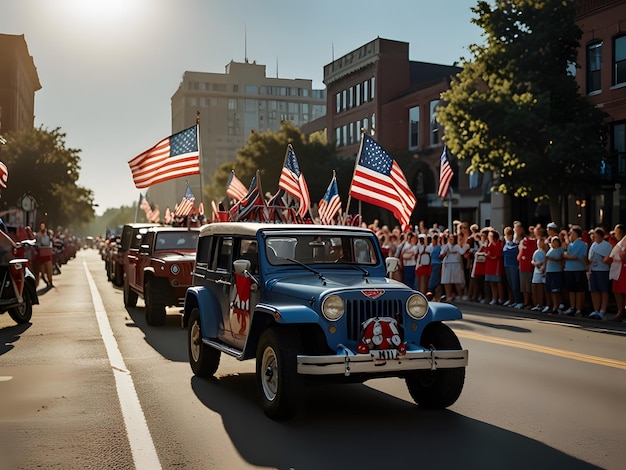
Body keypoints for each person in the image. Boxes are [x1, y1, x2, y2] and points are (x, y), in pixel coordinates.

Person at [562, 226, 588, 317]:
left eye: (571, 233)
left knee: (579, 290)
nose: (570, 235)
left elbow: (575, 256)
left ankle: (579, 308)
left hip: (579, 269)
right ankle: (572, 307)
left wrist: (566, 256)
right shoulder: (570, 245)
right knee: (571, 289)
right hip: (569, 269)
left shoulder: (583, 244)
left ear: (576, 234)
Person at [587, 227, 612, 320]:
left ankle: (602, 310)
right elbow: (590, 258)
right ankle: (596, 310)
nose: (594, 238)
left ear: (601, 236)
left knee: (603, 290)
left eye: (596, 236)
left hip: (602, 270)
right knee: (594, 290)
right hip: (593, 270)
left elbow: (608, 258)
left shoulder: (607, 245)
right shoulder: (593, 245)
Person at [440, 234, 468, 302]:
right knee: (447, 281)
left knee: (457, 281)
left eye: (452, 239)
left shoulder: (457, 246)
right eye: (449, 239)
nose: (450, 240)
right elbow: (441, 254)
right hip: (448, 265)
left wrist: (465, 246)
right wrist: (444, 254)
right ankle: (448, 296)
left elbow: (462, 252)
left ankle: (460, 295)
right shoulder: (446, 246)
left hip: (456, 265)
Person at [607, 224, 626, 322]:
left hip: (623, 268)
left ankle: (622, 311)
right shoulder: (617, 242)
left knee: (623, 290)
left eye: (616, 232)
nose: (615, 234)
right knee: (617, 290)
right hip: (617, 269)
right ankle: (620, 311)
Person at [545, 236, 564, 314]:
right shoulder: (550, 250)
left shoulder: (560, 250)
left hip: (556, 271)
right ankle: (553, 306)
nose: (554, 243)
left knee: (556, 290)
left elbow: (560, 259)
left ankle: (557, 306)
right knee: (550, 290)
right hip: (549, 271)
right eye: (552, 241)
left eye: (555, 241)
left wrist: (551, 259)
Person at [484, 230, 504, 305]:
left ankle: (501, 298)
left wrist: (491, 256)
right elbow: (487, 252)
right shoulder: (489, 244)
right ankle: (494, 298)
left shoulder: (499, 244)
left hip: (496, 266)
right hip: (489, 265)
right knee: (492, 283)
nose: (489, 237)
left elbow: (498, 255)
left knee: (498, 282)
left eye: (491, 236)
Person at [531, 236, 548, 311]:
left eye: (540, 242)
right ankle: (536, 304)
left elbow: (545, 261)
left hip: (542, 272)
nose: (539, 244)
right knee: (535, 287)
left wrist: (540, 264)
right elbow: (532, 260)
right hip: (536, 272)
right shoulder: (536, 252)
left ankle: (541, 304)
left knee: (540, 288)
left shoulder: (544, 252)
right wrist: (535, 263)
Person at [36, 221, 54, 287]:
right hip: (41, 255)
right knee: (42, 272)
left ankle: (50, 282)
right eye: (41, 226)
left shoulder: (49, 233)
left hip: (48, 254)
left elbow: (51, 241)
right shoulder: (38, 234)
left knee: (49, 270)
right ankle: (46, 282)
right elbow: (37, 243)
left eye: (43, 225)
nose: (42, 227)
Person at [428, 234, 443, 300]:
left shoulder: (439, 247)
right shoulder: (433, 247)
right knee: (435, 281)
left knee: (434, 281)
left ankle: (432, 295)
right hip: (433, 265)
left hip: (437, 265)